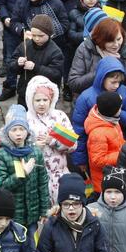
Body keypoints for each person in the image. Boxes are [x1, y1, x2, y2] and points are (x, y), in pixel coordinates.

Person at [36, 172, 110, 252]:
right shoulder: (51, 226)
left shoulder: (95, 225)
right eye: (66, 204)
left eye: (75, 204)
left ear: (83, 203)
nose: (71, 209)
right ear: (60, 205)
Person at [0, 104, 49, 231]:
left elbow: (43, 183)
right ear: (7, 132)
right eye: (14, 130)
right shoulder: (1, 154)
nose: (18, 134)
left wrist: (44, 210)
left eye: (21, 129)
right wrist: (22, 173)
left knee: (31, 247)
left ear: (27, 131)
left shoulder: (35, 152)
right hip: (12, 215)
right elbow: (1, 185)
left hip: (33, 214)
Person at [25, 76, 75, 205]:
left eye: (45, 100)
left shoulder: (59, 117)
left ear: (51, 99)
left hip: (60, 174)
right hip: (36, 176)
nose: (41, 103)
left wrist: (53, 140)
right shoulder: (25, 119)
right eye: (37, 100)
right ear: (31, 100)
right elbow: (16, 147)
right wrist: (34, 146)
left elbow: (73, 145)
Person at [68, 17, 126, 94]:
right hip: (90, 98)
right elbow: (74, 84)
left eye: (118, 39)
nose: (116, 45)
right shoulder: (85, 48)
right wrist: (103, 69)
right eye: (110, 41)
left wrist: (117, 64)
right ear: (100, 40)